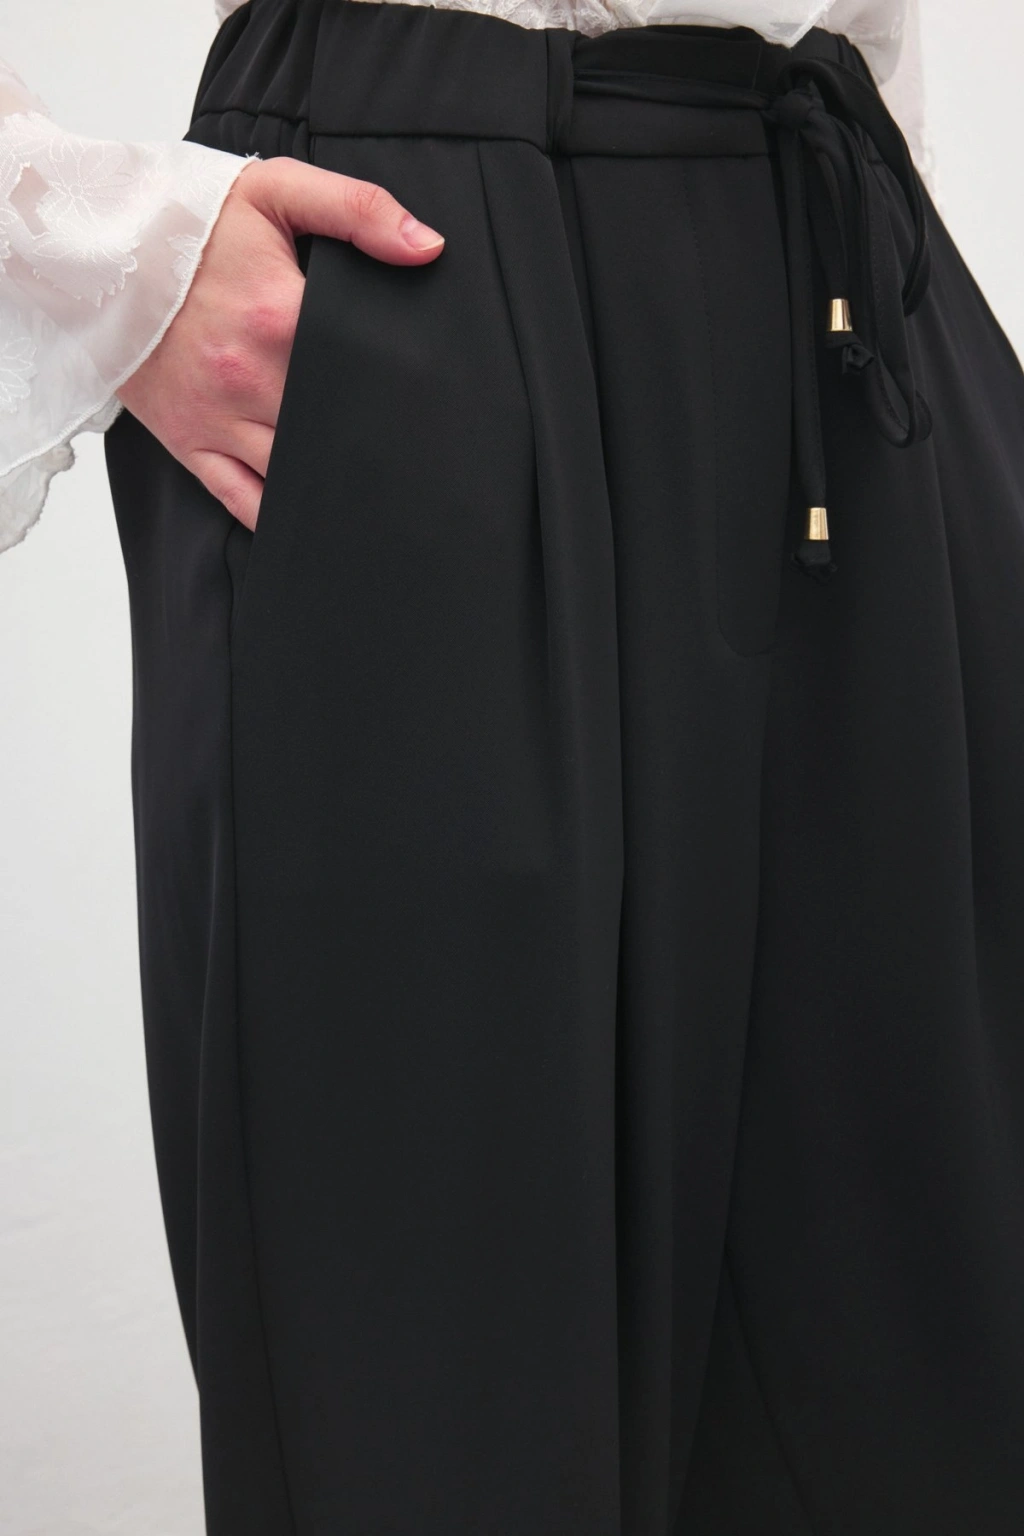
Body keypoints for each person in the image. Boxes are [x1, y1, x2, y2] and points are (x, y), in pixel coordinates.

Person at [4, 1, 1024, 1532]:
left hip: (841, 293)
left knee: (918, 1395)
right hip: (419, 264)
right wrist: (87, 244)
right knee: (453, 1428)